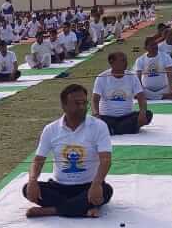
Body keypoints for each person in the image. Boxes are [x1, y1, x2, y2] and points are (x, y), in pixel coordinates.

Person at [23, 83, 113, 219]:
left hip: (88, 186)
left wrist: (96, 184)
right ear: (64, 106)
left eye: (84, 103)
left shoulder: (99, 126)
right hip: (59, 187)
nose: (82, 107)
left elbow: (105, 160)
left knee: (106, 190)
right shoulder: (51, 129)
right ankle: (82, 208)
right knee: (27, 189)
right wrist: (32, 180)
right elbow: (38, 160)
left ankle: (52, 210)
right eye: (77, 103)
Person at [92, 51, 153, 134]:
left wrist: (142, 112)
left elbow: (141, 97)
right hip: (106, 117)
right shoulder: (101, 77)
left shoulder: (132, 77)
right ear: (112, 62)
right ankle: (125, 128)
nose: (126, 63)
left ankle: (112, 130)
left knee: (148, 114)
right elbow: (95, 100)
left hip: (126, 116)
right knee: (91, 120)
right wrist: (96, 115)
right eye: (122, 60)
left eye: (125, 60)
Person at [134, 35, 172, 100]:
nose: (154, 47)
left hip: (163, 88)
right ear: (145, 48)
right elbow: (138, 78)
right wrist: (139, 91)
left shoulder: (165, 56)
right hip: (147, 89)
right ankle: (162, 97)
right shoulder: (140, 60)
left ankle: (152, 97)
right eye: (151, 45)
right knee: (136, 92)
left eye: (155, 44)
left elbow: (170, 74)